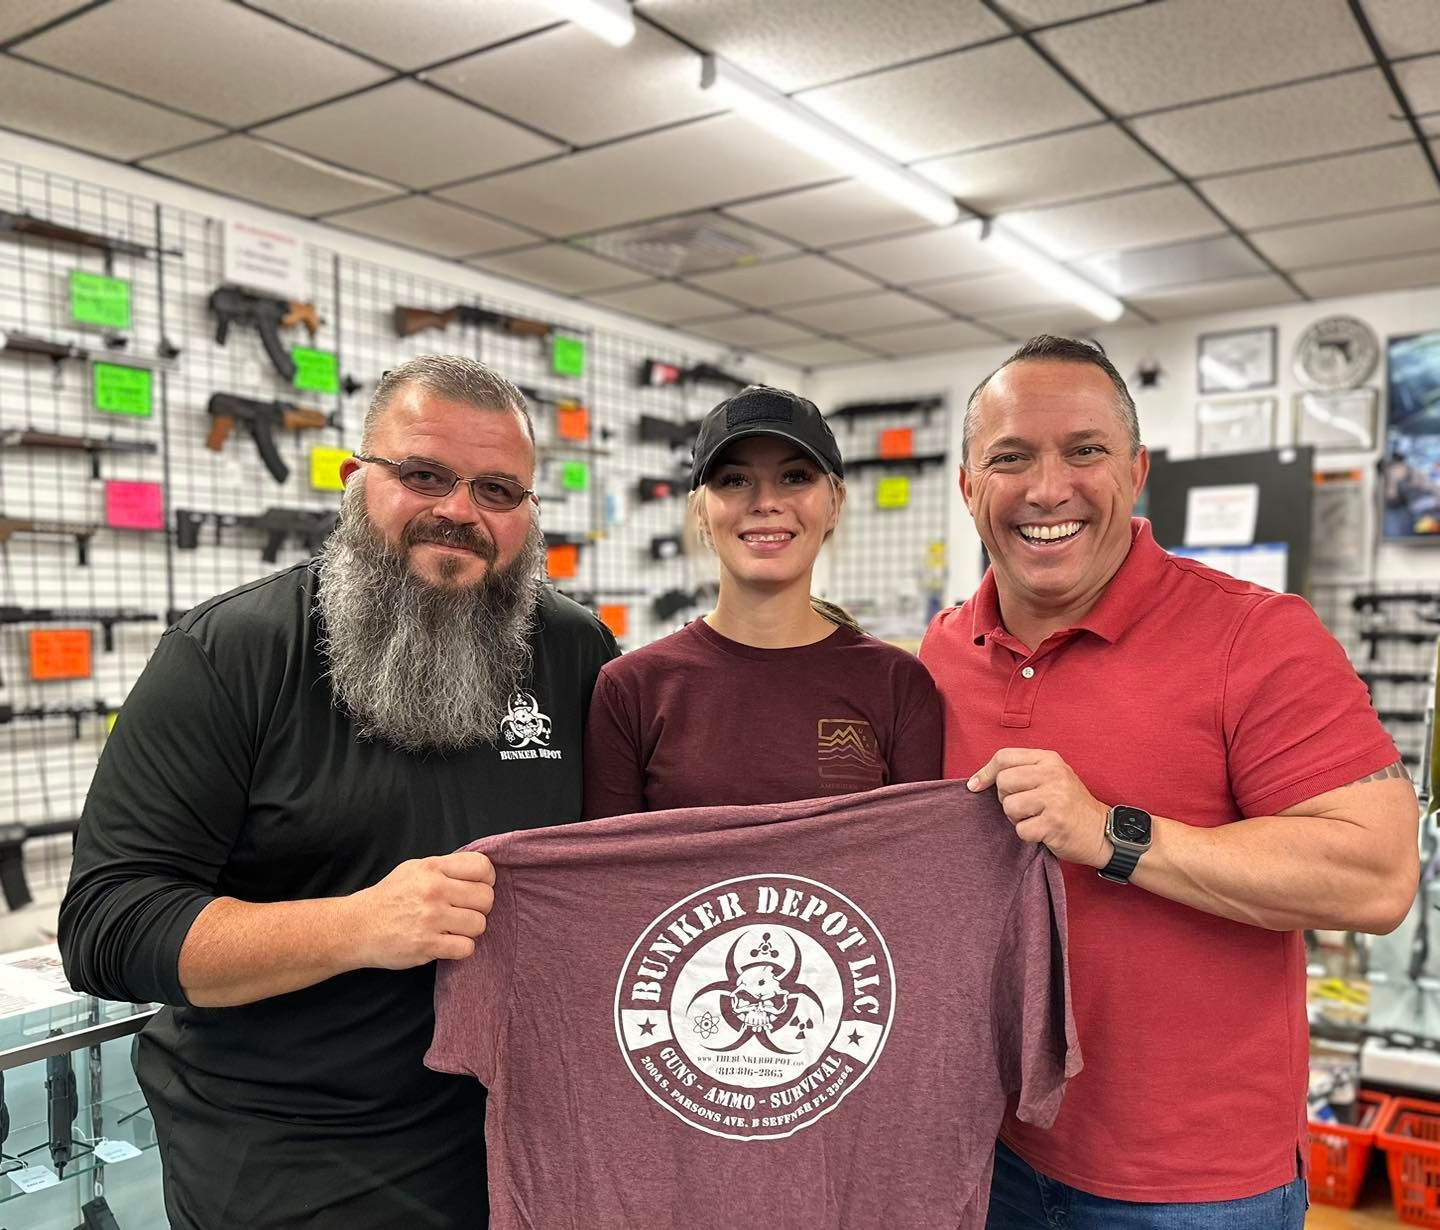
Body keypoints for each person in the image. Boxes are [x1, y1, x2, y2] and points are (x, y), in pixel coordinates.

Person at [58, 356, 619, 1230]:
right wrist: (357, 926)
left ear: (529, 512)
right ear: (357, 480)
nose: (460, 510)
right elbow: (110, 924)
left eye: (498, 490)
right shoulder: (230, 654)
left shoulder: (577, 652)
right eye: (423, 474)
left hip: (522, 1135)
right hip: (287, 1155)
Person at [919, 334, 1419, 1229]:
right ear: (967, 486)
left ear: (1137, 470)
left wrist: (1111, 833)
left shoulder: (1256, 635)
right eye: (1010, 457)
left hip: (1195, 1187)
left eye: (1085, 450)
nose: (1047, 488)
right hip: (988, 1150)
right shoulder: (941, 651)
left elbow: (1378, 876)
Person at [583, 383, 942, 817]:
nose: (766, 502)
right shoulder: (631, 689)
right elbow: (612, 858)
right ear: (700, 512)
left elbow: (917, 850)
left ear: (835, 504)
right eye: (735, 480)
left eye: (795, 477)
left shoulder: (898, 684)